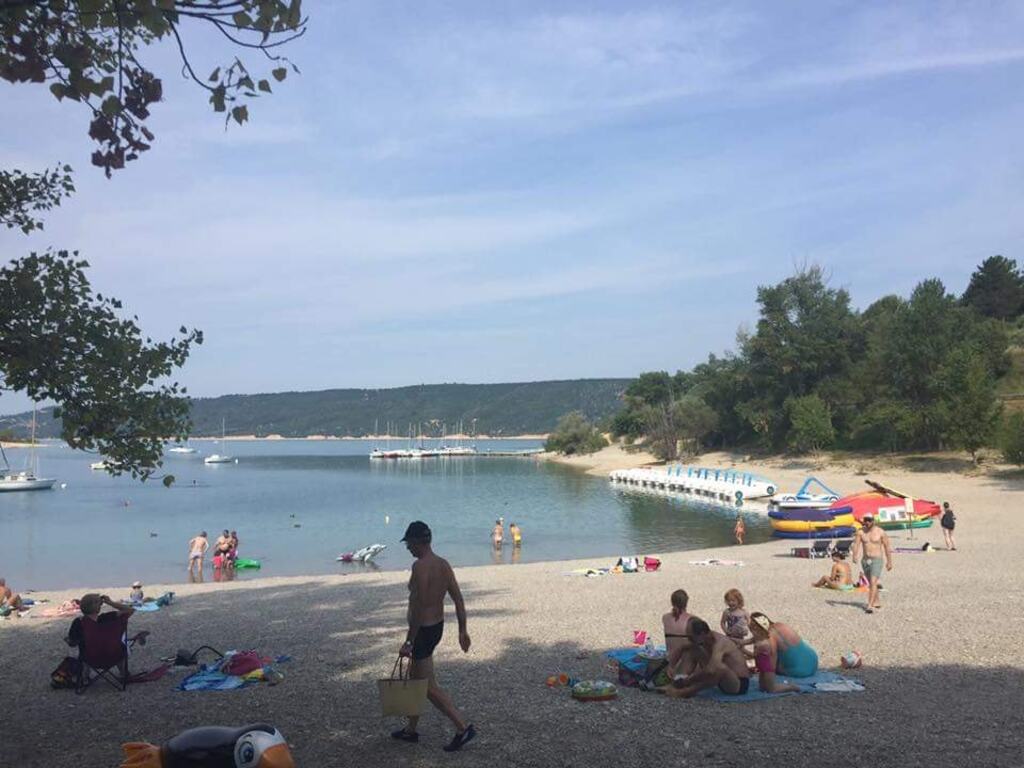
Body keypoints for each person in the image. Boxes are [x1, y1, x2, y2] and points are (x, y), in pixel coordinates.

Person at [392, 521, 475, 752]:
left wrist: (409, 642)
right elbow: (458, 599)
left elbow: (419, 607)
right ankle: (410, 730)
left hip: (422, 632)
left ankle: (462, 727)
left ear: (418, 541)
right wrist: (462, 630)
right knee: (417, 679)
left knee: (427, 687)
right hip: (436, 627)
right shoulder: (443, 564)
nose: (408, 547)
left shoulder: (420, 567)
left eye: (409, 542)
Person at [663, 619, 751, 698]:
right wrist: (671, 666)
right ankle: (679, 680)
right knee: (692, 650)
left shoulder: (719, 643)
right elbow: (682, 647)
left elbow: (711, 670)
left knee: (719, 668)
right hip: (722, 679)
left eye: (691, 637)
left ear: (701, 634)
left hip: (738, 684)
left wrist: (689, 680)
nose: (689, 639)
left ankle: (685, 692)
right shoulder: (705, 638)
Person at [749, 611, 818, 678]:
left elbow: (772, 658)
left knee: (769, 666)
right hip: (813, 661)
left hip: (801, 670)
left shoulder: (769, 636)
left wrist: (763, 669)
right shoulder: (779, 625)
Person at [747, 614, 800, 693]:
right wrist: (735, 641)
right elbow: (744, 641)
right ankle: (786, 686)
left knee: (772, 689)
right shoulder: (756, 638)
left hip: (767, 668)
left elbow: (754, 655)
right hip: (761, 667)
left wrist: (742, 649)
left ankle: (791, 687)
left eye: (755, 629)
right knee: (762, 688)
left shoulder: (763, 644)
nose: (753, 630)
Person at [852, 514, 893, 613]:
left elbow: (887, 547)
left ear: (873, 521)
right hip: (865, 560)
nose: (867, 522)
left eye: (869, 520)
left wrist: (889, 561)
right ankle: (877, 602)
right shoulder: (861, 532)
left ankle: (869, 605)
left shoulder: (880, 532)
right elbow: (856, 544)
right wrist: (854, 555)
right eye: (866, 520)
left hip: (877, 559)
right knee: (871, 582)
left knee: (873, 582)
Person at [65, 593, 136, 650]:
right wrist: (110, 602)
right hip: (113, 656)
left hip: (90, 658)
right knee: (119, 648)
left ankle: (86, 668)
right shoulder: (108, 618)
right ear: (99, 607)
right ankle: (123, 668)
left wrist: (68, 640)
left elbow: (72, 644)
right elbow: (130, 610)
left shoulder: (79, 622)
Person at [662, 589, 699, 679]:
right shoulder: (693, 620)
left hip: (668, 661)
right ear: (686, 602)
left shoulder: (665, 617)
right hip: (684, 662)